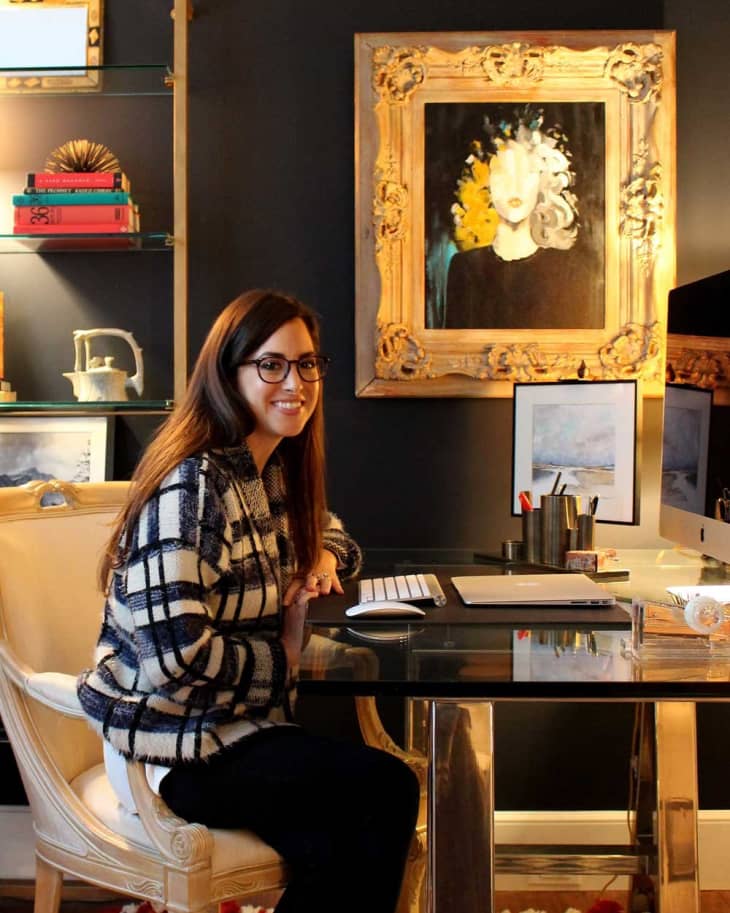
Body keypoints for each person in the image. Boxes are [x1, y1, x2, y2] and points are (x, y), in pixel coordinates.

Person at [77, 289, 420, 913]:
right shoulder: (192, 487)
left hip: (239, 730)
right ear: (228, 375)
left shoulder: (267, 472)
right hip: (170, 744)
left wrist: (322, 555)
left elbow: (336, 533)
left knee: (338, 842)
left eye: (308, 364)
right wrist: (283, 657)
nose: (296, 382)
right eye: (272, 365)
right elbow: (171, 662)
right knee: (385, 788)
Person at [443, 110, 602, 330]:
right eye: (502, 172)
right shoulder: (464, 269)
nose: (514, 186)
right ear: (485, 182)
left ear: (544, 182)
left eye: (527, 173)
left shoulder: (570, 271)